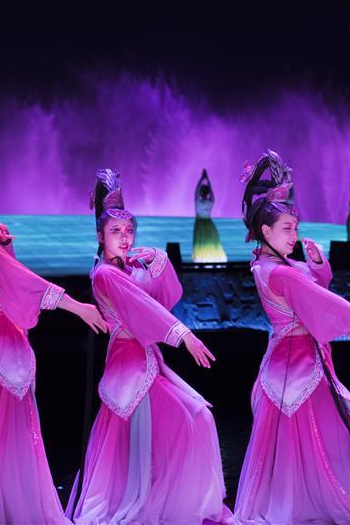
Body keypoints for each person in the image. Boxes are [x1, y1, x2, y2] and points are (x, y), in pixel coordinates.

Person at [234, 151, 350, 525]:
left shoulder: (267, 264)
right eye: (287, 229)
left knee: (324, 437)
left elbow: (313, 286)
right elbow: (321, 299)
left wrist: (317, 264)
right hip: (296, 365)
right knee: (343, 431)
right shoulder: (280, 271)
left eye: (295, 228)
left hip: (289, 359)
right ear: (265, 231)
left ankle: (346, 502)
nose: (295, 236)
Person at [0, 128, 107, 524]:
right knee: (2, 434)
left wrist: (6, 249)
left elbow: (0, 283)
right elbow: (27, 285)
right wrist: (79, 307)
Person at [67, 168, 230, 525]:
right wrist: (183, 335)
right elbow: (145, 308)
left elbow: (166, 297)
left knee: (179, 426)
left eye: (129, 231)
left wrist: (160, 261)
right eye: (115, 231)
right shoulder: (105, 274)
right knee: (189, 420)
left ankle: (169, 500)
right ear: (100, 236)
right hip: (129, 365)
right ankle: (160, 502)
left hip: (146, 361)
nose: (124, 238)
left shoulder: (127, 269)